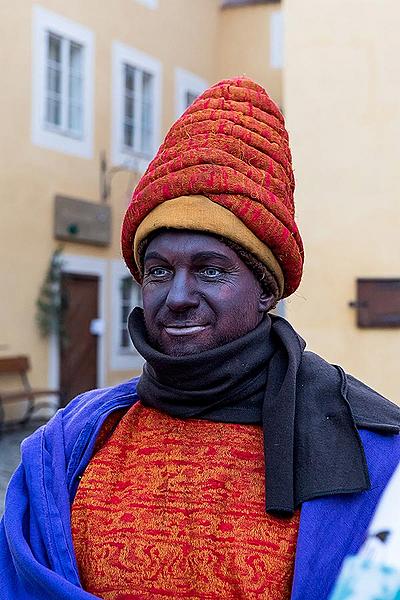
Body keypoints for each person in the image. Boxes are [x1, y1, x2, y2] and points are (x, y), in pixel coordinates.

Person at [1, 77, 399, 600]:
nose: (178, 296)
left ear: (265, 290)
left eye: (211, 271)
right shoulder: (74, 443)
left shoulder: (373, 449)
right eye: (159, 271)